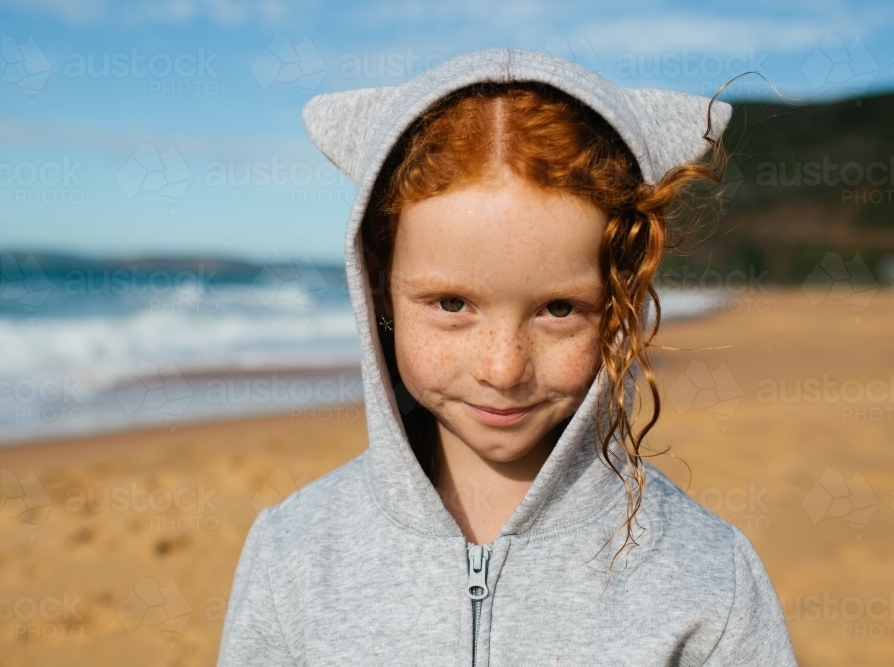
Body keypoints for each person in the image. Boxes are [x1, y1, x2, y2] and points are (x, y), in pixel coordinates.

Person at [217, 47, 797, 666]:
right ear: (380, 287)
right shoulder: (294, 553)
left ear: (620, 301)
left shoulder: (706, 575)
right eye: (450, 303)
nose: (503, 369)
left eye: (558, 310)